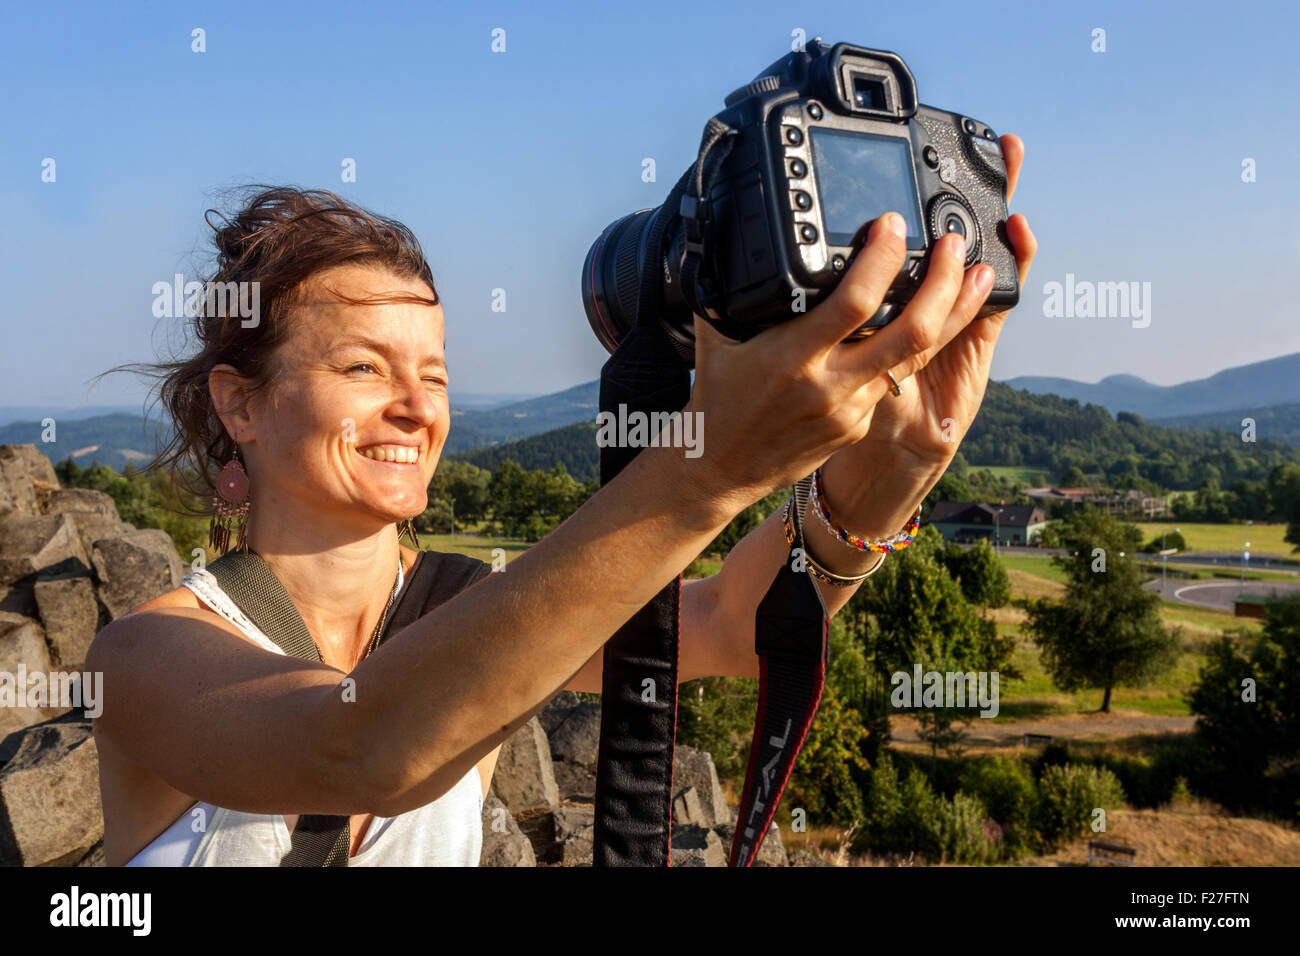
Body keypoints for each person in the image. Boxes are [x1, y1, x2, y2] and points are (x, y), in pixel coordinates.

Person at [87, 138, 1036, 866]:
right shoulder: (144, 655)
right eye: (363, 367)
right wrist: (706, 471)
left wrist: (899, 467)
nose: (417, 407)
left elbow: (722, 624)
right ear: (238, 402)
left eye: (435, 373)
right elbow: (356, 742)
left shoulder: (473, 609)